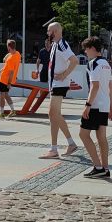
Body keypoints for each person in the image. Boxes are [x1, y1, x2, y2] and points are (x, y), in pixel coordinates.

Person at [76, 36, 112, 179]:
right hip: (104, 105)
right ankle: (105, 168)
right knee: (101, 138)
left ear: (93, 48)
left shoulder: (93, 64)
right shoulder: (106, 63)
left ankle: (98, 167)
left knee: (83, 135)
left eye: (86, 49)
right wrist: (110, 106)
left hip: (95, 105)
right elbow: (111, 86)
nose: (85, 52)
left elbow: (95, 86)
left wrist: (87, 105)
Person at [39, 21, 79, 159]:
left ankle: (59, 147)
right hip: (55, 84)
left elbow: (74, 61)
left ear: (55, 31)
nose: (47, 33)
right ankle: (62, 146)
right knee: (54, 115)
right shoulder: (56, 44)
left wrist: (63, 75)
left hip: (59, 84)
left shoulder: (62, 44)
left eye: (49, 31)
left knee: (53, 114)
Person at [0, 39, 21, 118]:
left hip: (5, 79)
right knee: (6, 95)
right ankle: (13, 110)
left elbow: (11, 72)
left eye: (7, 46)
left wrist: (9, 83)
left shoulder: (11, 59)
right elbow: (10, 54)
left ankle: (2, 112)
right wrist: (5, 58)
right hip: (7, 78)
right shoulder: (17, 54)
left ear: (9, 47)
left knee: (2, 95)